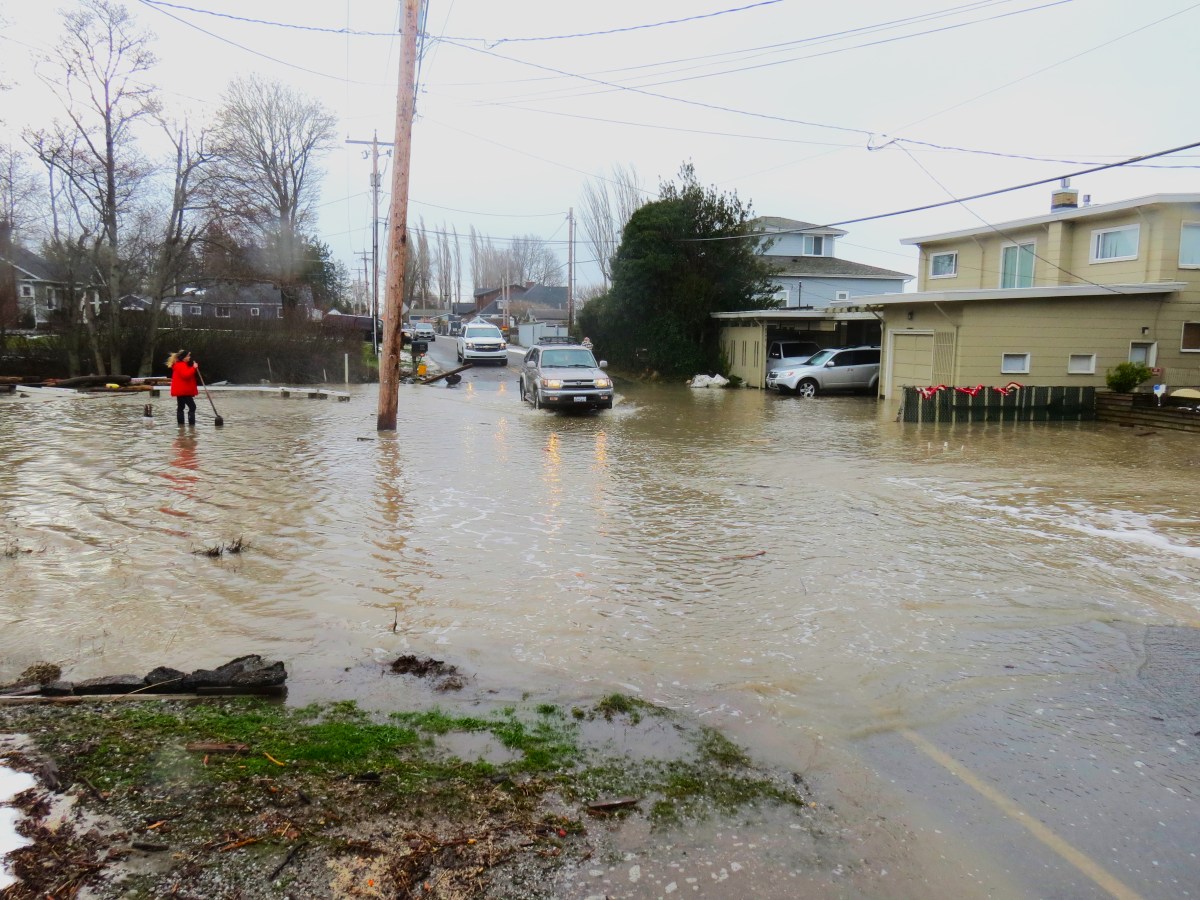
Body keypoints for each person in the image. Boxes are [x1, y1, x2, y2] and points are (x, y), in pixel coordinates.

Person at [166, 349, 199, 426]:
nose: (189, 357)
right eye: (188, 356)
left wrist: (192, 368)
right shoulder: (181, 365)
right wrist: (194, 367)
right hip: (183, 391)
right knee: (192, 407)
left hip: (180, 391)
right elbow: (186, 375)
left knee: (181, 407)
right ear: (184, 357)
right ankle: (191, 426)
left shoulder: (179, 365)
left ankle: (181, 427)